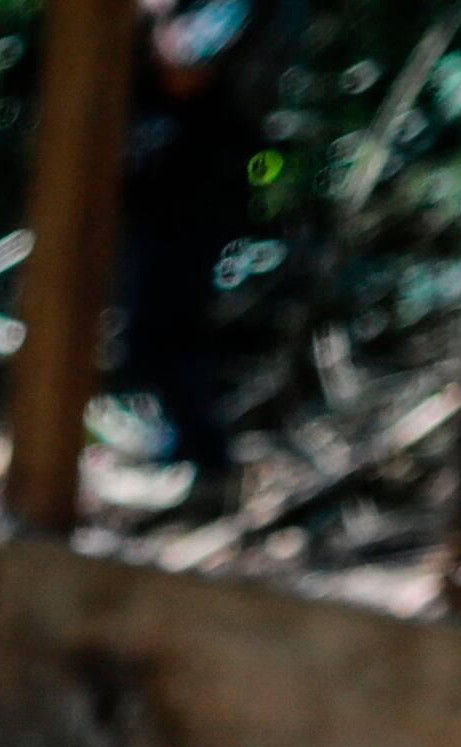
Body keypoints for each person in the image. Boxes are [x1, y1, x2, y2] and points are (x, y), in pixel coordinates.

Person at [122, 0, 267, 512]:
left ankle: (212, 466)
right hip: (154, 218)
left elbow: (188, 74)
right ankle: (188, 451)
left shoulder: (222, 10)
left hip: (193, 218)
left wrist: (151, 21)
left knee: (168, 338)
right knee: (147, 340)